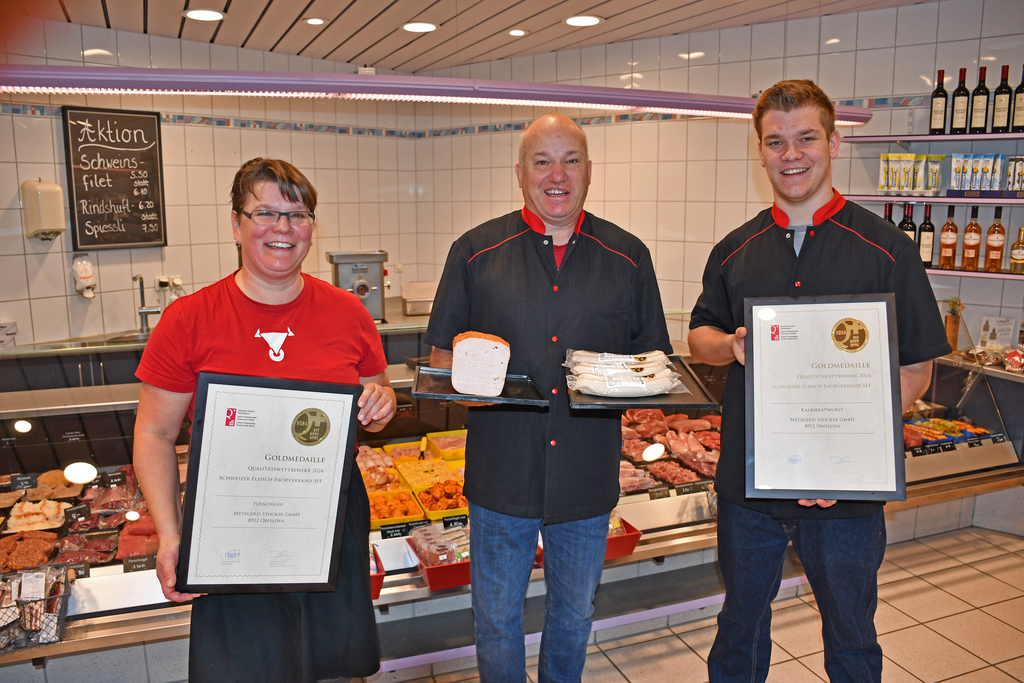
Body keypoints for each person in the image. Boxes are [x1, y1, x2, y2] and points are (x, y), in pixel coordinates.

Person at [687, 80, 951, 683]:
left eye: (806, 138)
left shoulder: (884, 248)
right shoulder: (735, 250)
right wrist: (730, 345)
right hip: (750, 487)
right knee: (739, 628)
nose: (791, 154)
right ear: (760, 151)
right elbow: (698, 338)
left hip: (847, 494)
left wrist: (843, 461)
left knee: (851, 632)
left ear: (832, 141)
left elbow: (917, 368)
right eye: (776, 141)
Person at [426, 113, 672, 682]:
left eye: (571, 160)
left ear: (590, 171)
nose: (556, 175)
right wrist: (474, 385)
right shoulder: (475, 252)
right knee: (494, 618)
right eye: (542, 161)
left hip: (586, 476)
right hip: (500, 474)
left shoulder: (628, 256)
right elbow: (442, 361)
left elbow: (652, 363)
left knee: (574, 615)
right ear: (520, 173)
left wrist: (633, 386)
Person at [133, 158, 396, 683]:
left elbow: (375, 400)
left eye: (297, 215)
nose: (283, 229)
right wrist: (171, 533)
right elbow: (154, 434)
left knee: (334, 665)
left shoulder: (348, 312)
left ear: (312, 229)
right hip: (231, 520)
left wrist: (381, 404)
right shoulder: (188, 319)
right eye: (266, 213)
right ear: (236, 223)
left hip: (330, 517)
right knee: (244, 666)